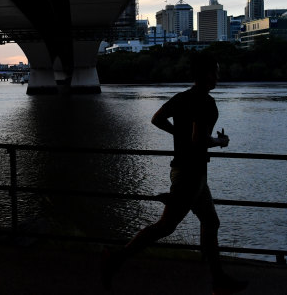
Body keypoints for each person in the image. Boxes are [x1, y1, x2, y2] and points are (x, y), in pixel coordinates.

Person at [100, 54, 248, 294]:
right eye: (215, 72)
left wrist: (178, 134)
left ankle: (218, 279)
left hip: (186, 171)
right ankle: (116, 258)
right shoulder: (206, 103)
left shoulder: (181, 98)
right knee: (166, 226)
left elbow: (157, 119)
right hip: (192, 174)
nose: (218, 77)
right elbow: (198, 140)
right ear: (204, 75)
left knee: (210, 222)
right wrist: (220, 141)